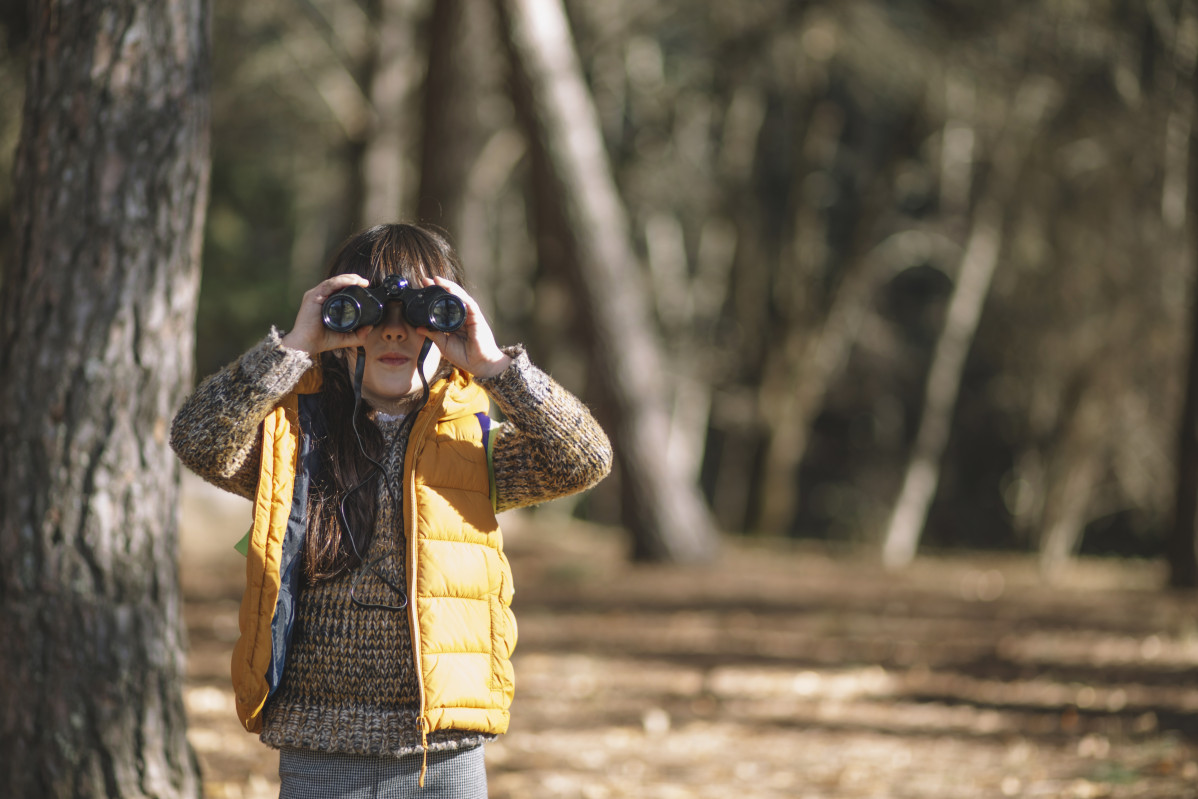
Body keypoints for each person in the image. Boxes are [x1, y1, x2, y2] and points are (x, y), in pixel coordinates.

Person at [171, 223, 612, 798]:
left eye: (423, 314)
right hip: (317, 745)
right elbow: (198, 438)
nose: (394, 331)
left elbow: (584, 458)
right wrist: (291, 352)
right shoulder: (293, 444)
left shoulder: (472, 446)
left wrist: (494, 366)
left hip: (444, 748)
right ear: (339, 317)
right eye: (371, 312)